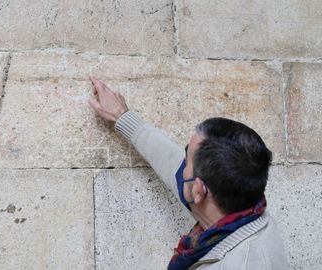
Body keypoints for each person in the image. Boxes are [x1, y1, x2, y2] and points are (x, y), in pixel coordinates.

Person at [88, 76, 289, 270]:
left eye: (187, 161)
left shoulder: (235, 264)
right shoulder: (248, 209)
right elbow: (173, 165)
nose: (181, 166)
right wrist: (123, 118)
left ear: (199, 190)